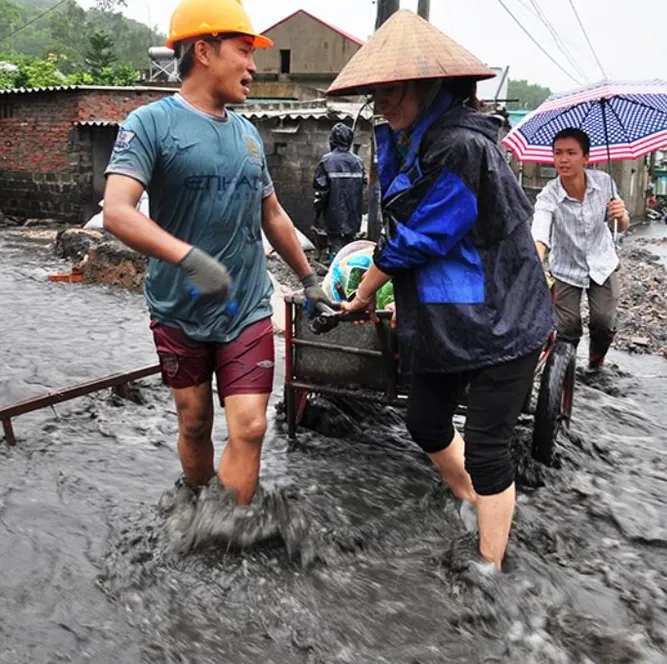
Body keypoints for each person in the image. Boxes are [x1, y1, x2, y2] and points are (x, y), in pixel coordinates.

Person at [326, 10, 555, 570]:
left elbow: (422, 236)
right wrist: (369, 284)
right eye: (375, 93)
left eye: (392, 90)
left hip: (503, 316)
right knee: (424, 422)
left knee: (486, 447)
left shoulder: (460, 147)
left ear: (430, 86)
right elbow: (406, 231)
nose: (381, 102)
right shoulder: (409, 141)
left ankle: (490, 568)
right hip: (445, 316)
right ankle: (468, 499)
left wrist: (366, 286)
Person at [101, 0, 335, 505]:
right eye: (245, 51)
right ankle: (199, 509)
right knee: (195, 420)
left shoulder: (248, 135)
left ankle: (230, 530)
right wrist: (189, 258)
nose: (254, 67)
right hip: (177, 306)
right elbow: (117, 211)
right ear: (203, 51)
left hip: (245, 307)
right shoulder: (149, 124)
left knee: (249, 427)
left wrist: (309, 278)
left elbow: (272, 215)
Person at [532, 128, 629, 373]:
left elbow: (620, 224)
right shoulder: (549, 195)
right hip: (566, 266)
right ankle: (564, 370)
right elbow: (540, 232)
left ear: (586, 157)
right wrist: (535, 260)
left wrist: (622, 215)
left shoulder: (605, 183)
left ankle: (596, 362)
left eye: (571, 153)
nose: (563, 159)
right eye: (558, 153)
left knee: (604, 322)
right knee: (568, 327)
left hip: (602, 262)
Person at [312, 122, 367, 264]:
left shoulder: (327, 161)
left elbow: (321, 189)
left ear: (332, 140)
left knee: (335, 245)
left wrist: (318, 211)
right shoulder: (358, 162)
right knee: (349, 247)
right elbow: (363, 184)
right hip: (354, 214)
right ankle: (347, 271)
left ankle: (336, 272)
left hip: (333, 214)